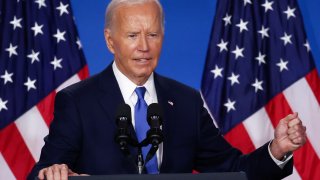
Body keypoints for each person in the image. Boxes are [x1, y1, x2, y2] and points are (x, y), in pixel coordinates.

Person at [28, 0, 307, 179]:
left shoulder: (185, 101)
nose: (144, 47)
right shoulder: (77, 101)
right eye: (132, 35)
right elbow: (41, 172)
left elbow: (233, 169)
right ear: (110, 41)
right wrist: (53, 173)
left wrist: (277, 149)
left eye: (152, 34)